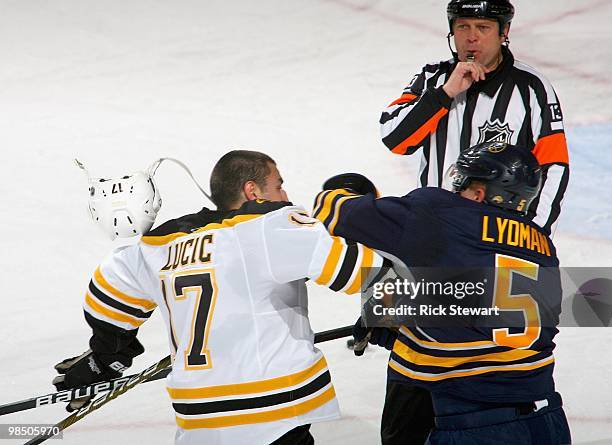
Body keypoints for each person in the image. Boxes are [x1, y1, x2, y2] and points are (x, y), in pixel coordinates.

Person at [52, 150, 383, 445]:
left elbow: (107, 293)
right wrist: (392, 316)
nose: (285, 193)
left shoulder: (157, 247)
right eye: (278, 184)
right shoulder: (269, 225)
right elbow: (367, 271)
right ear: (252, 191)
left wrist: (105, 357)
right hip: (274, 412)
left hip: (197, 418)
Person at [313, 141, 571, 444]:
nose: (455, 190)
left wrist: (348, 189)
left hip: (471, 422)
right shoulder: (543, 247)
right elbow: (473, 301)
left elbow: (331, 211)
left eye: (462, 183)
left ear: (478, 193)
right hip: (546, 420)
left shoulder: (440, 213)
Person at [380, 0, 569, 238]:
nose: (472, 37)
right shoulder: (433, 79)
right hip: (434, 229)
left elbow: (554, 167)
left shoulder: (532, 87)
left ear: (504, 32)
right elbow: (394, 139)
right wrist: (444, 94)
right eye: (463, 26)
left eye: (483, 27)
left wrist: (533, 234)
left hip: (496, 237)